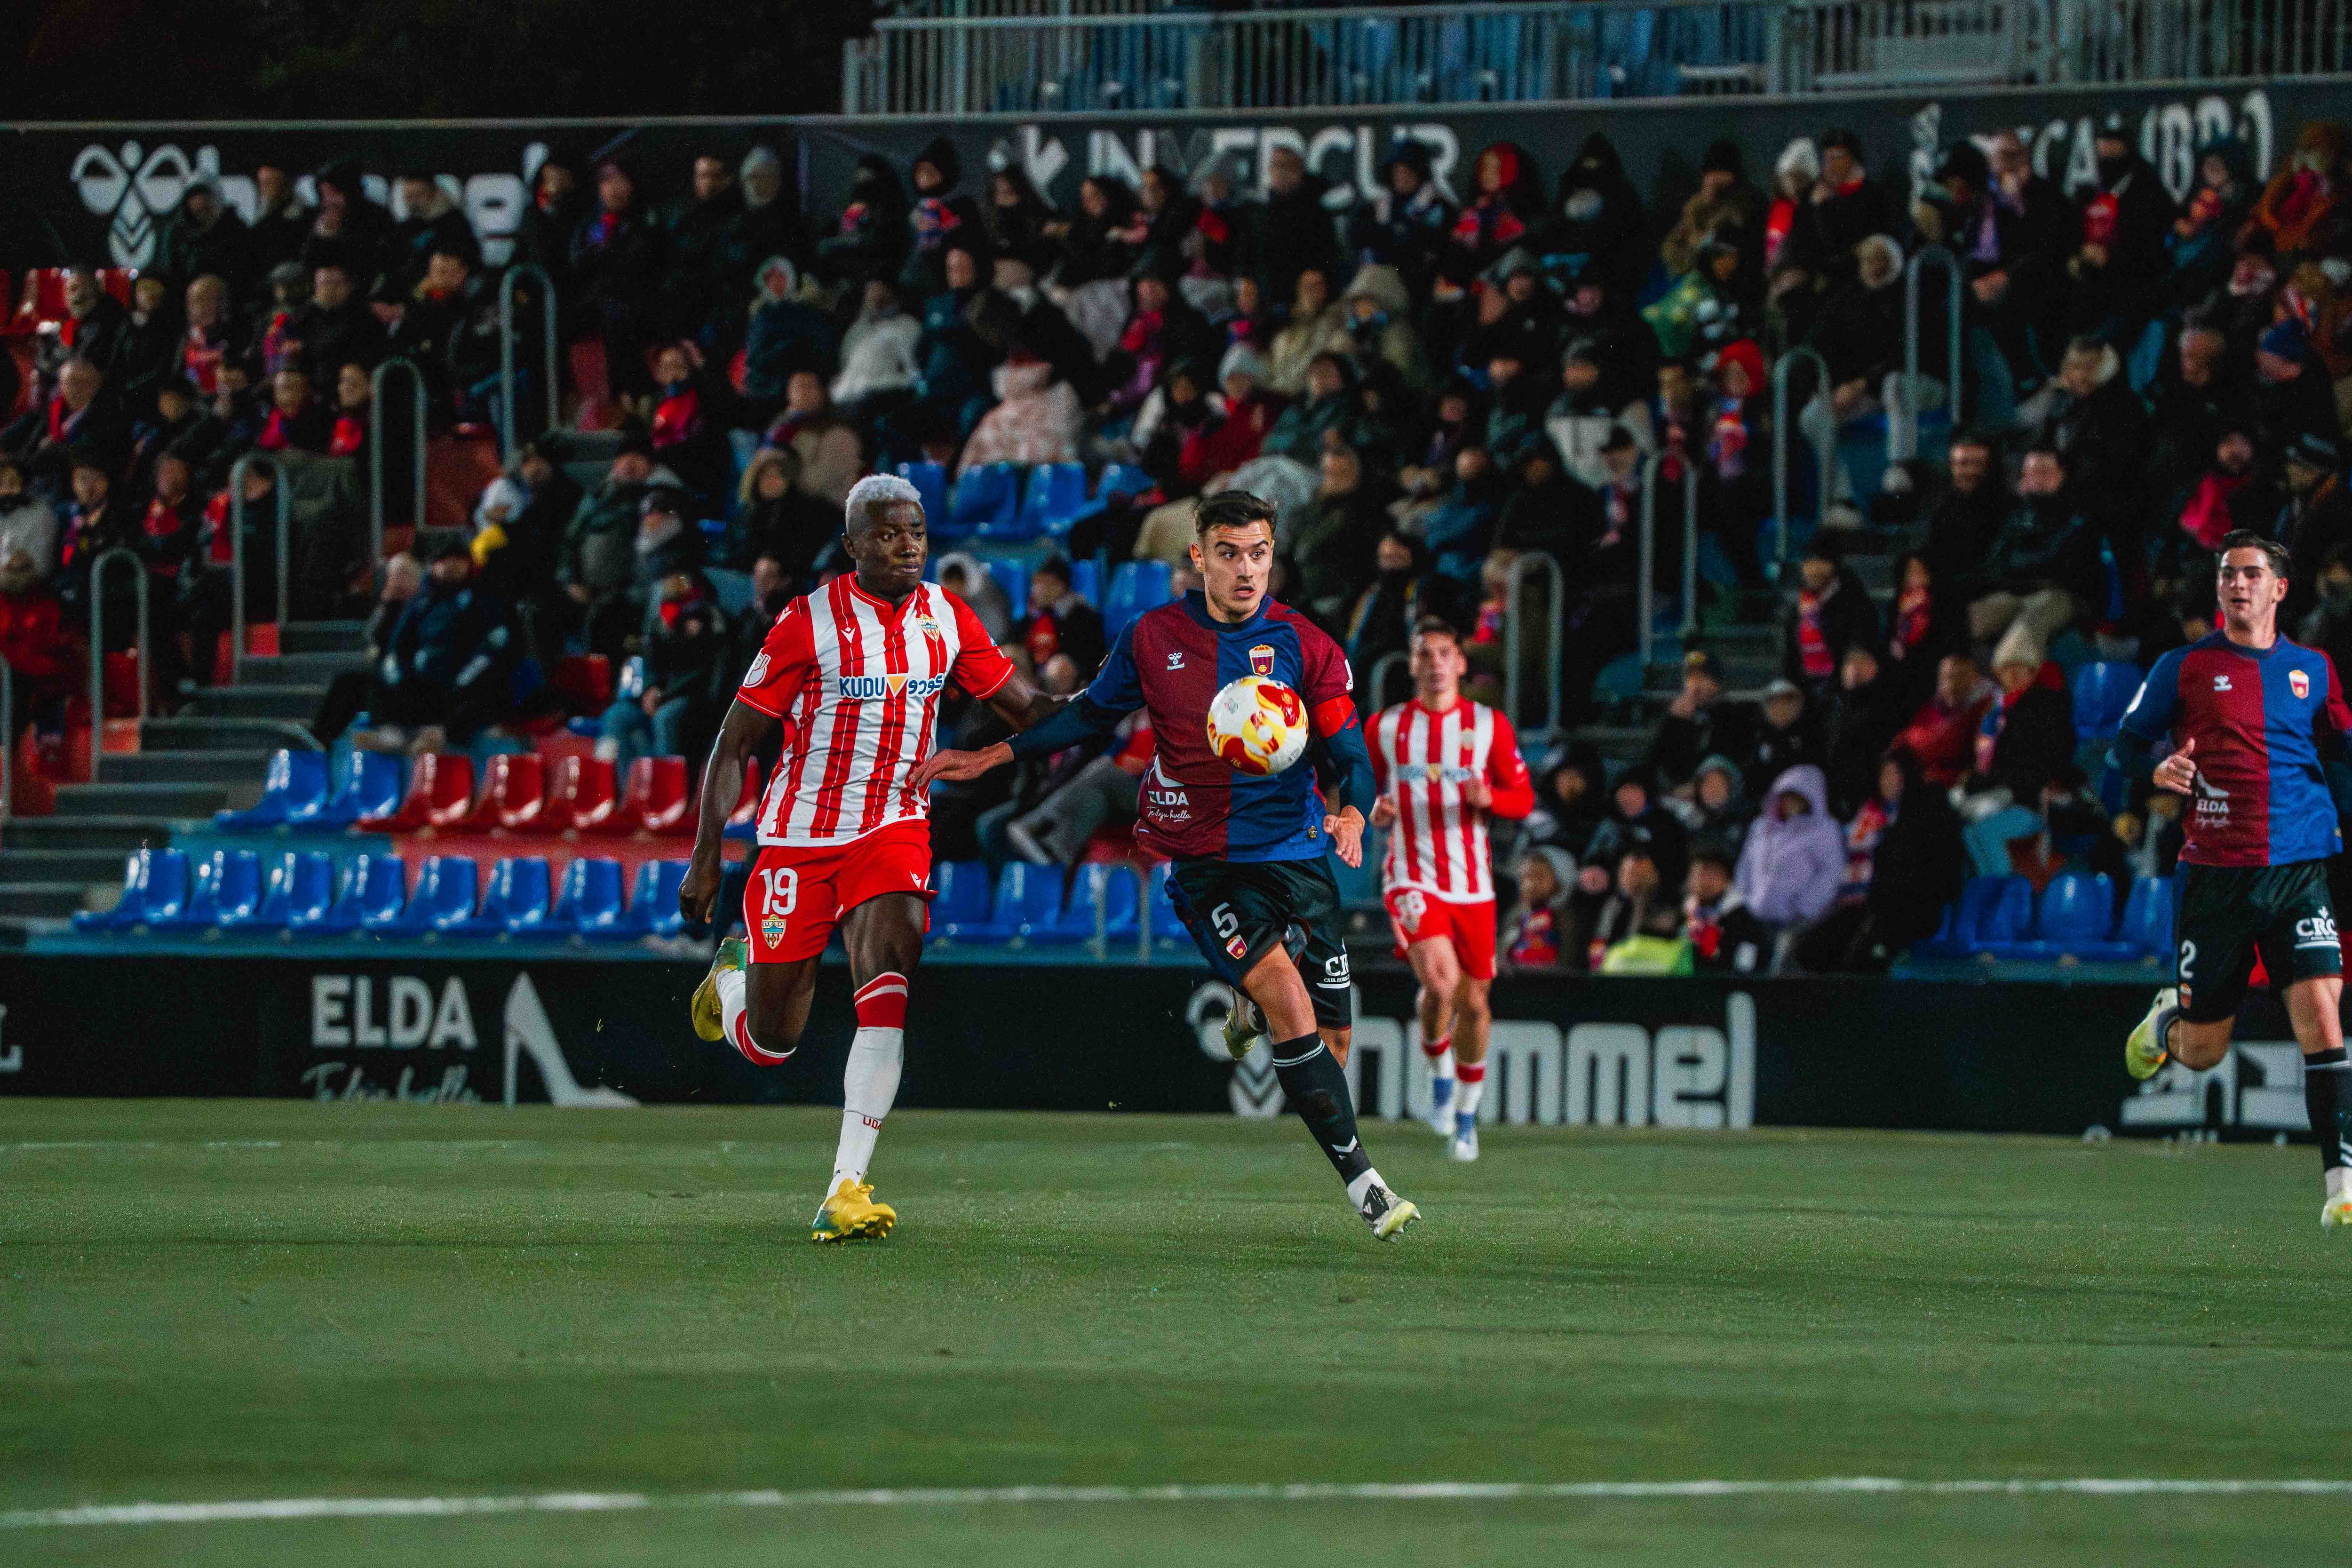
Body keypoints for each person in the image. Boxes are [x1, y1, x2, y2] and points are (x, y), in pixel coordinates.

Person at [916, 490, 1419, 1241]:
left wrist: (1351, 810)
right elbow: (1089, 713)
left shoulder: (1308, 646)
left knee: (1330, 1043)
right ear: (1198, 557)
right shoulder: (1153, 638)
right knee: (1291, 1003)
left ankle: (1249, 1006)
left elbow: (1349, 750)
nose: (1246, 569)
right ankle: (1367, 1186)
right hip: (1205, 860)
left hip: (1297, 851)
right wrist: (997, 750)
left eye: (1258, 553)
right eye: (1229, 553)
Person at [679, 474, 1054, 1246]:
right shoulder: (806, 621)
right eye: (887, 534)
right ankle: (733, 978)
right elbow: (734, 742)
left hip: (894, 826)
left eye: (916, 531)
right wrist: (707, 856)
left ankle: (846, 1185)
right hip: (797, 837)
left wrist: (1117, 697)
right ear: (853, 546)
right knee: (773, 1042)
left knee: (888, 980)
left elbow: (1027, 709)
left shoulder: (947, 617)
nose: (907, 545)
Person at [2112, 533, 2352, 1228]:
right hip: (2217, 877)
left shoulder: (2315, 669)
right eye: (2227, 574)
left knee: (2325, 1018)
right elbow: (2124, 749)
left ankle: (2340, 1185)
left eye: (2251, 574)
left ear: (2280, 588)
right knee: (2202, 1050)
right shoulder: (2183, 668)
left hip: (2299, 872)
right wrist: (2155, 771)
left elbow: (2338, 751)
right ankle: (2169, 1016)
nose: (2237, 584)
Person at [1367, 616, 1536, 1161]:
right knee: (1440, 985)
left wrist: (1494, 802)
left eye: (1445, 654)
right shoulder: (1386, 728)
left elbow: (1522, 799)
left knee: (1474, 1002)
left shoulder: (1488, 726)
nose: (1436, 663)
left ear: (1461, 663)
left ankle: (1465, 1112)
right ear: (1412, 664)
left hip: (1473, 886)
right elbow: (1359, 792)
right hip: (1411, 875)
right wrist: (1373, 809)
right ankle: (1437, 1072)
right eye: (1425, 654)